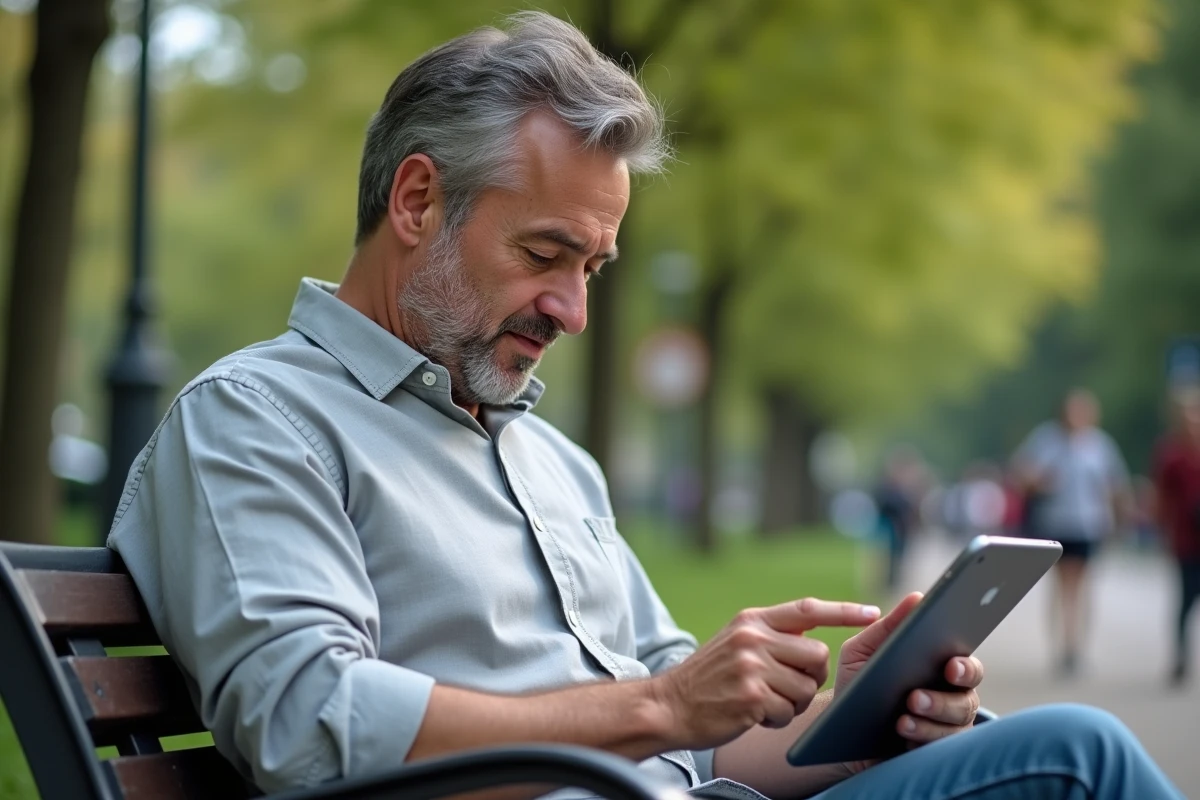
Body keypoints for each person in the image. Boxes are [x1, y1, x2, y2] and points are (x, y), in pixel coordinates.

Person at [107, 13, 1182, 800]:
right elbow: (307, 725)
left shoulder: (553, 461)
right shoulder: (259, 421)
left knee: (1024, 744)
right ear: (418, 200)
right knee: (1074, 757)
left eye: (594, 268)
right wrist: (663, 705)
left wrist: (851, 721)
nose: (574, 311)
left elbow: (695, 743)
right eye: (545, 254)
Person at [1012, 389, 1132, 677]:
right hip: (1055, 524)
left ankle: (1076, 645)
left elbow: (1115, 484)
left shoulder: (1100, 445)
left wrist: (1121, 518)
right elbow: (1021, 475)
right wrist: (1040, 481)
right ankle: (1061, 647)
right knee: (1061, 585)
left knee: (1082, 586)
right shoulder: (1045, 440)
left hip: (1089, 525)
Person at [1153, 388, 1200, 687]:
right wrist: (1162, 531)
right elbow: (1162, 497)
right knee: (1186, 600)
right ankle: (1181, 658)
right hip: (1187, 540)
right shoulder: (1171, 454)